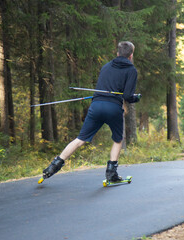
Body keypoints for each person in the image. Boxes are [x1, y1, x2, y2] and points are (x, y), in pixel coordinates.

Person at [42, 41, 141, 182]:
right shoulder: (131, 70)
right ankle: (111, 174)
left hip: (96, 106)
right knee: (118, 139)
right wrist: (135, 98)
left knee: (80, 140)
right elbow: (127, 96)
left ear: (117, 53)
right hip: (113, 108)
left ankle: (53, 166)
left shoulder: (106, 67)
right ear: (131, 55)